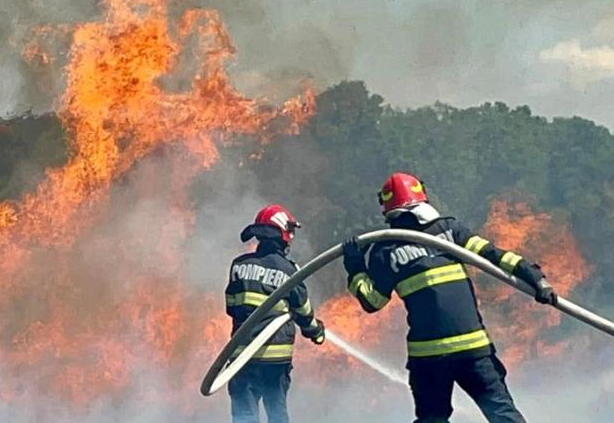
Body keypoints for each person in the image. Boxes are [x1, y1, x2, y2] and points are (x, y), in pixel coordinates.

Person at [343, 172, 557, 423]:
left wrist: (355, 267)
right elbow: (494, 255)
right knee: (502, 414)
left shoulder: (386, 250)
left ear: (387, 208)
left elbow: (372, 301)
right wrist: (536, 278)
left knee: (433, 419)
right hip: (473, 352)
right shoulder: (449, 230)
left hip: (429, 358)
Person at [226, 204, 326, 423]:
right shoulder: (289, 270)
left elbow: (231, 306)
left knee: (244, 416)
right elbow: (303, 311)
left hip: (242, 358)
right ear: (282, 233)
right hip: (275, 362)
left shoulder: (238, 265)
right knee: (277, 415)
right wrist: (316, 331)